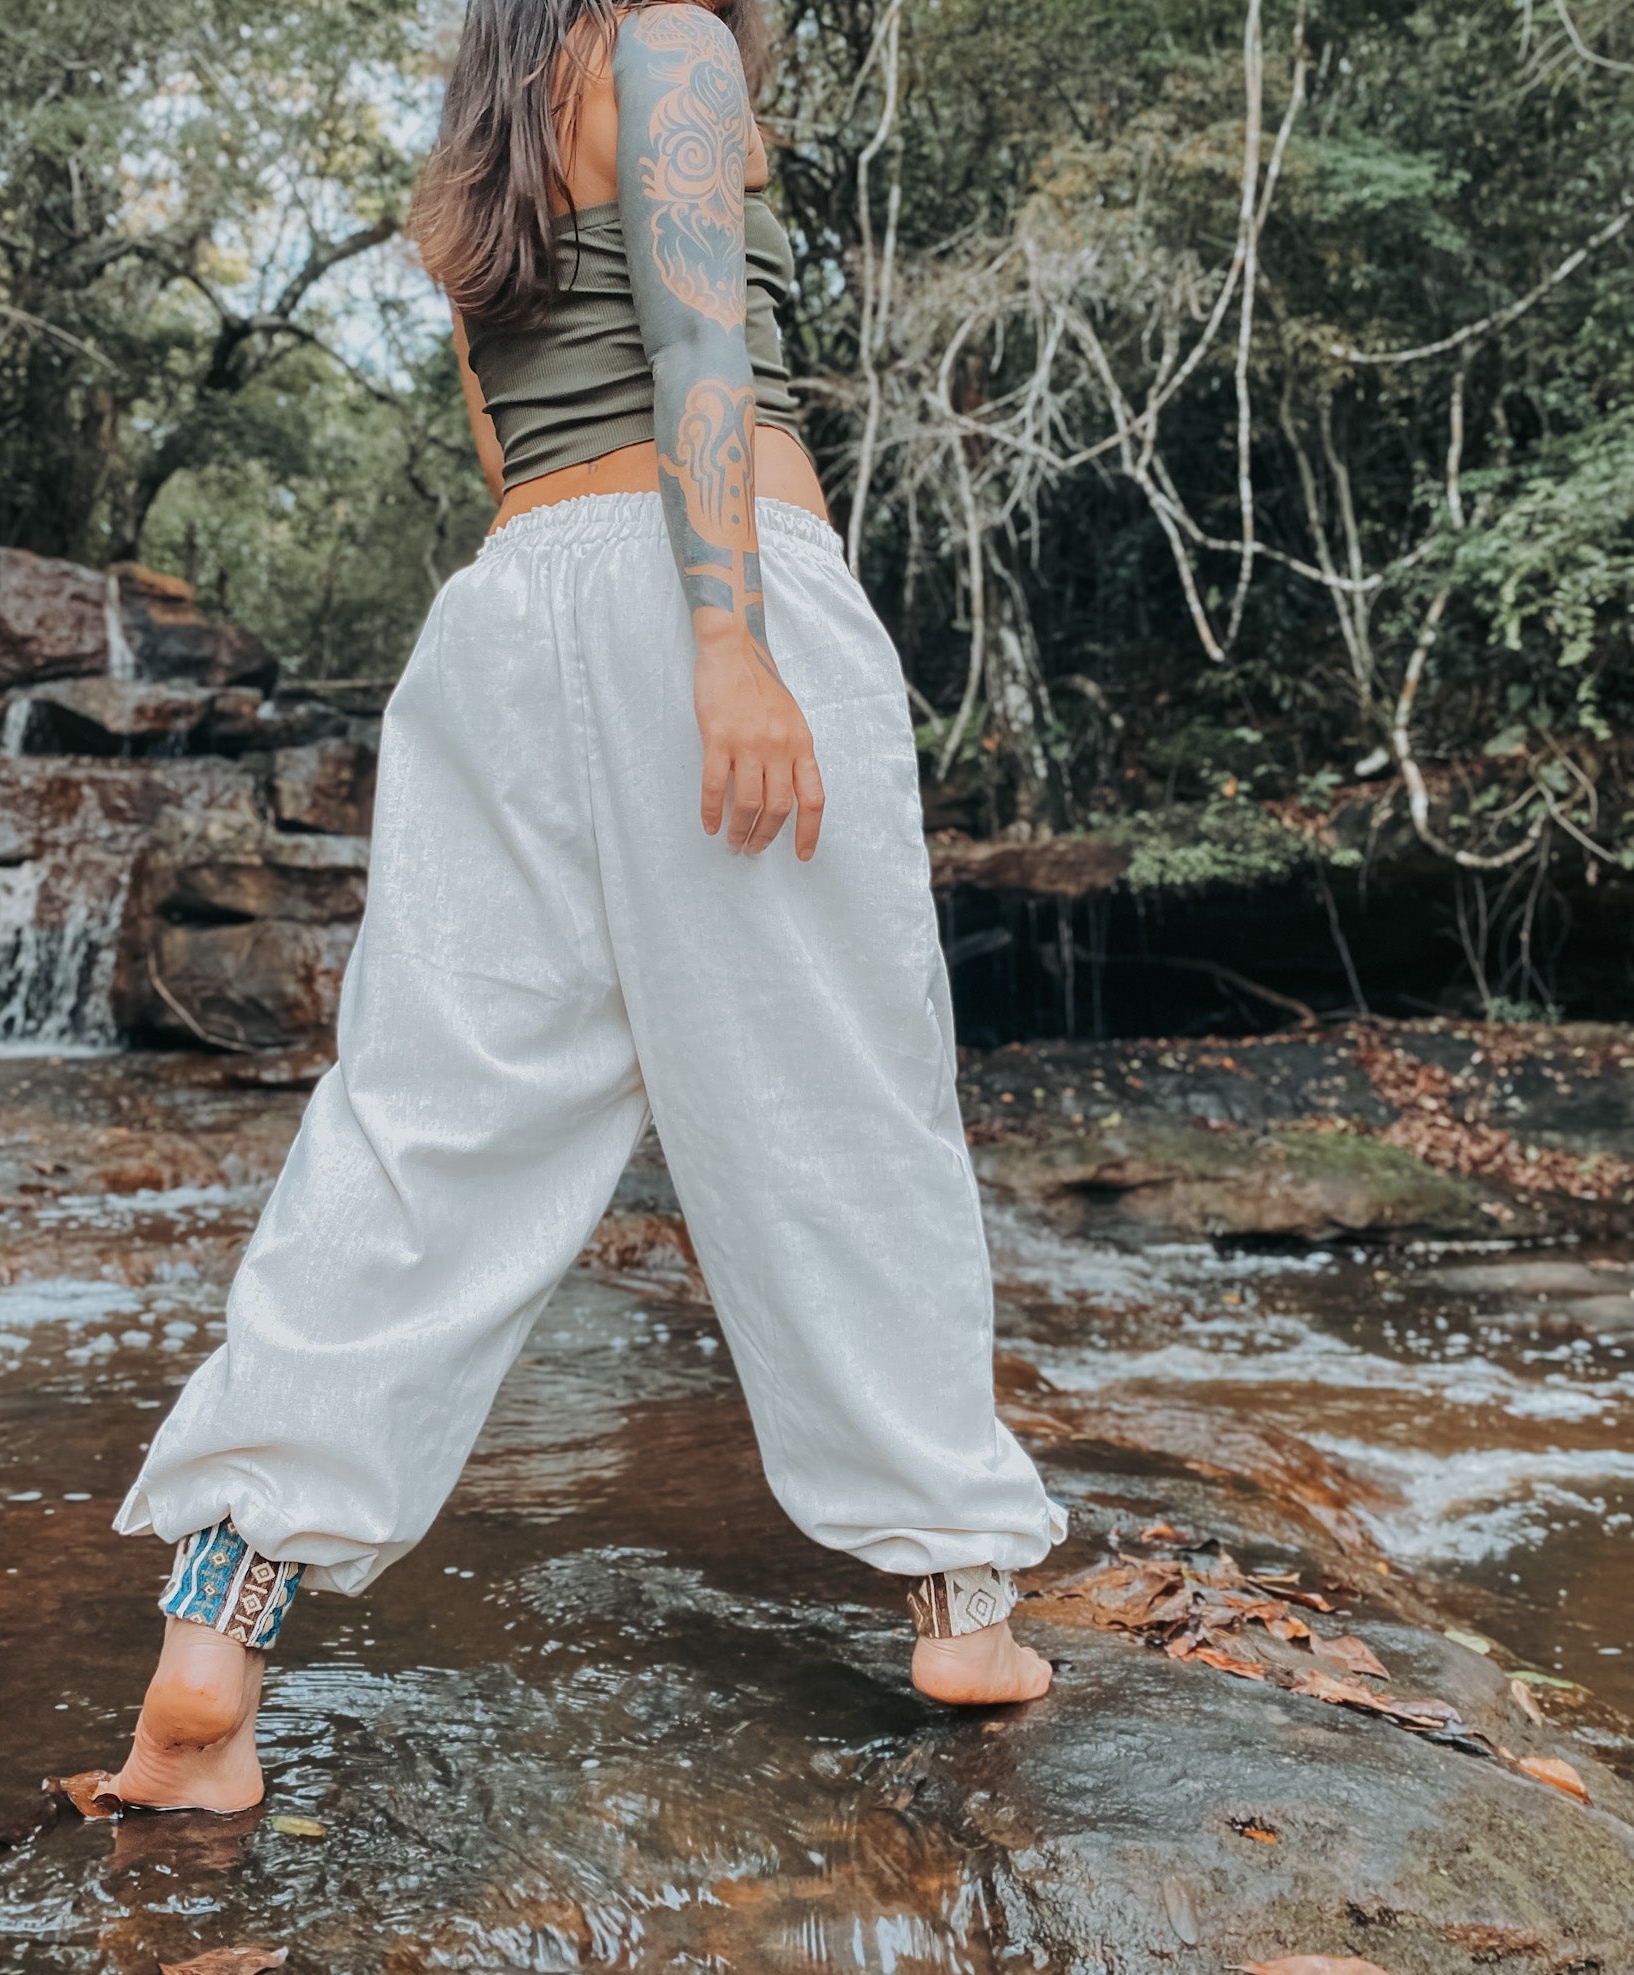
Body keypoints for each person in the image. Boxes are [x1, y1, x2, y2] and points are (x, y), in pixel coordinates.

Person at [101, 0, 1065, 1815]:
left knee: (423, 1122)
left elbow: (508, 457)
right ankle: (959, 1596)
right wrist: (728, 643)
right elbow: (703, 348)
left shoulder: (479, 133)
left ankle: (216, 1623)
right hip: (714, 590)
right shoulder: (673, 44)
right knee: (832, 1101)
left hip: (506, 620)